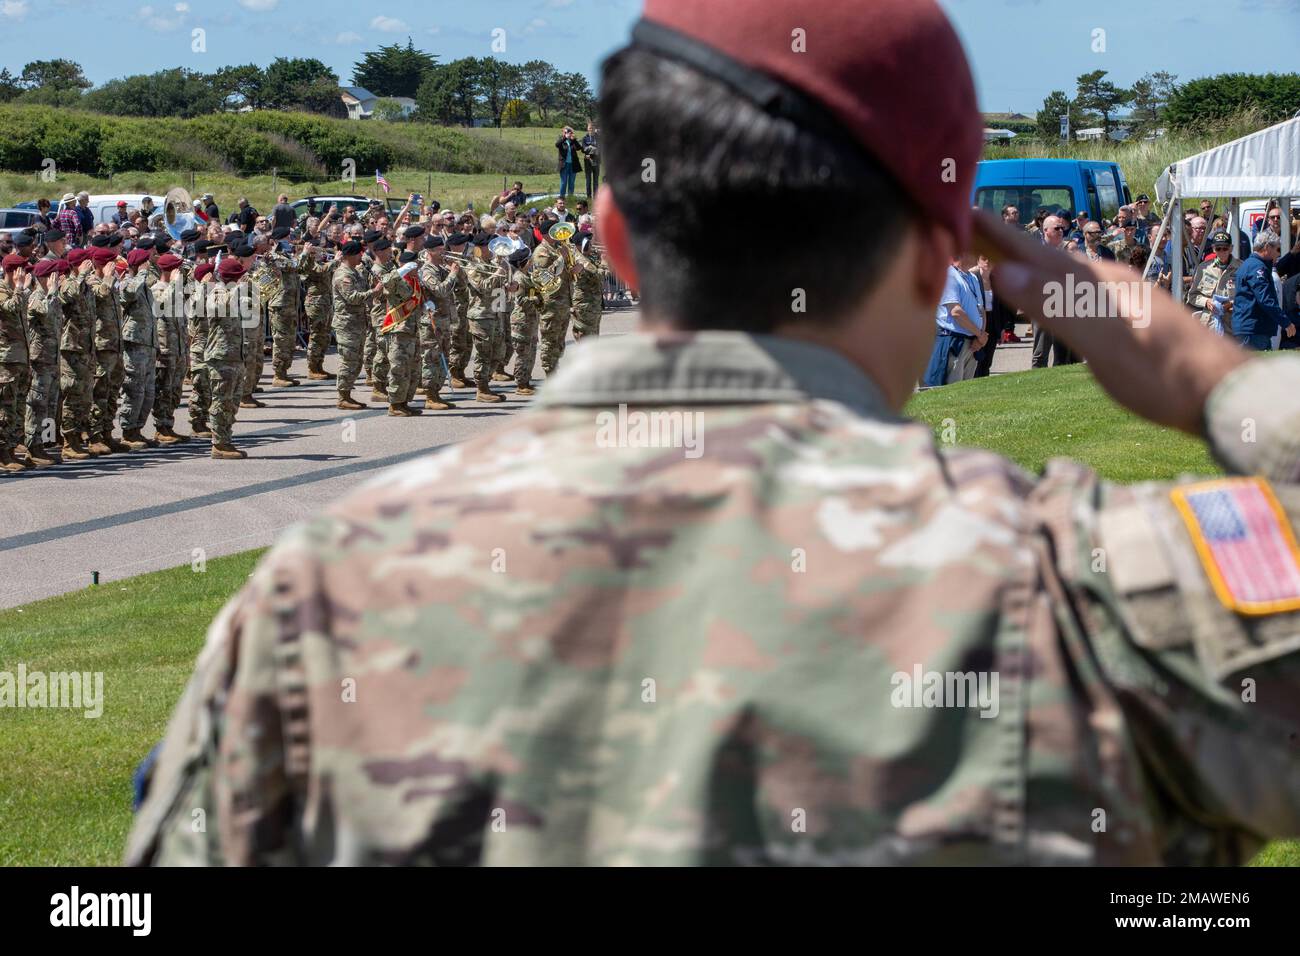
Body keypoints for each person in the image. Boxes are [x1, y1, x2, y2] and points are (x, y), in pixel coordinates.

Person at [127, 0, 1300, 868]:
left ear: (614, 238)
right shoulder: (1081, 590)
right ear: (947, 255)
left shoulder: (319, 601)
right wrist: (1208, 377)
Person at [205, 258, 250, 460]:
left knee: (232, 402)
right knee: (221, 401)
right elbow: (218, 310)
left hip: (235, 355)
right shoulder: (216, 292)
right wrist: (237, 290)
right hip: (220, 356)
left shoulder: (233, 293)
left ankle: (226, 438)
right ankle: (219, 443)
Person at [924, 252, 985, 385]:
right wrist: (979, 334)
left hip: (973, 343)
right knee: (953, 391)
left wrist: (980, 337)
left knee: (967, 393)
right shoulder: (949, 276)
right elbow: (956, 311)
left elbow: (981, 310)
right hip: (956, 342)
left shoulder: (973, 277)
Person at [1232, 231, 1293, 350]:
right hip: (1253, 330)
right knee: (1255, 367)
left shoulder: (1250, 264)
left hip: (1253, 328)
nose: (1278, 254)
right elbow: (1265, 299)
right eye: (1277, 249)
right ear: (1267, 247)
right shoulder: (1257, 267)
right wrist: (1285, 322)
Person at [0, 254, 33, 472]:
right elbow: (9, 309)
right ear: (13, 272)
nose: (27, 275)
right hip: (6, 360)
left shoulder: (16, 292)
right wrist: (20, 288)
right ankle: (3, 454)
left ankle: (11, 450)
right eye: (23, 271)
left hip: (20, 357)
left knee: (18, 407)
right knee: (5, 409)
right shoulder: (3, 292)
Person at [330, 240, 370, 410]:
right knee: (348, 361)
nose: (361, 256)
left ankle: (347, 395)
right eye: (359, 253)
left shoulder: (356, 272)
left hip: (357, 322)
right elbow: (352, 297)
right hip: (346, 324)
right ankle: (342, 396)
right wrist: (373, 292)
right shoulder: (343, 275)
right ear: (350, 255)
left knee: (356, 360)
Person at [1186, 231, 1239, 333]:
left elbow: (1247, 296)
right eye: (1218, 248)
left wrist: (1232, 304)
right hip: (1208, 324)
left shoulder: (1241, 267)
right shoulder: (1204, 268)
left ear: (1231, 248)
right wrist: (1206, 301)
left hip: (1232, 323)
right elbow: (1192, 296)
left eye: (1225, 248)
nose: (1222, 251)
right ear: (1213, 249)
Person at [555, 125, 584, 199]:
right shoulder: (561, 139)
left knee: (571, 182)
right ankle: (561, 198)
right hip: (564, 165)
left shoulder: (573, 140)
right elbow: (557, 145)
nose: (568, 133)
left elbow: (579, 148)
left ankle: (570, 198)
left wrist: (574, 140)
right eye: (566, 132)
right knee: (563, 182)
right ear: (564, 133)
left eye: (570, 132)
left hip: (573, 165)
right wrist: (565, 137)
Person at [581, 121, 601, 198]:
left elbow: (600, 148)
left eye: (592, 128)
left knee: (596, 181)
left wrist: (590, 149)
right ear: (587, 128)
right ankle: (588, 197)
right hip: (587, 161)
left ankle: (596, 197)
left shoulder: (599, 138)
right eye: (589, 128)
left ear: (594, 128)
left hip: (596, 161)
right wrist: (592, 149)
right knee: (588, 181)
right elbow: (583, 149)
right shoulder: (584, 138)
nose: (591, 129)